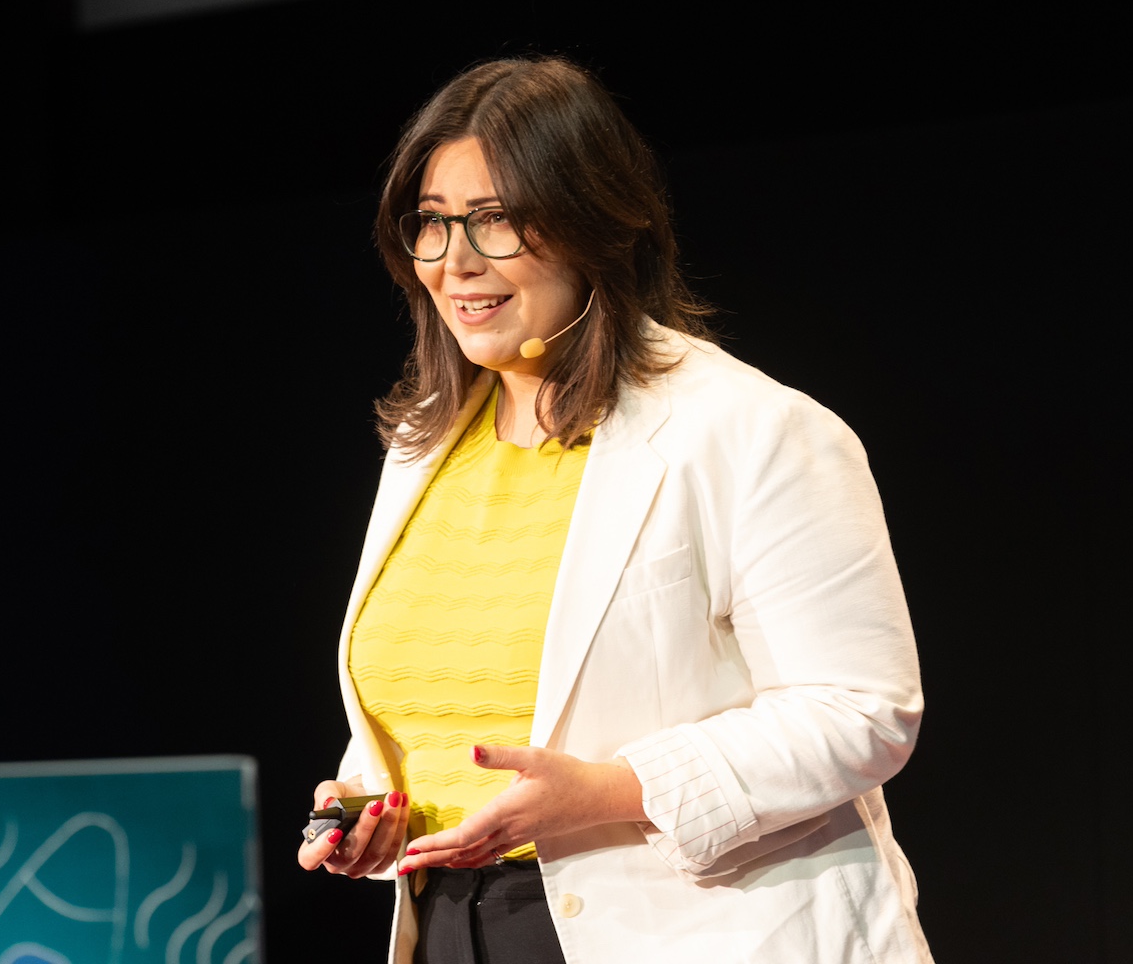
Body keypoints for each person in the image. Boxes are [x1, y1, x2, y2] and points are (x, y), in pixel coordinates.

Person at [298, 56, 934, 964]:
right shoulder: (422, 445)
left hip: (701, 930)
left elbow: (861, 711)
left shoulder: (752, 429)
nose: (455, 261)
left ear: (592, 223)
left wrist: (610, 790)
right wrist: (371, 805)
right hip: (453, 926)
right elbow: (453, 709)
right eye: (432, 222)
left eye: (495, 219)